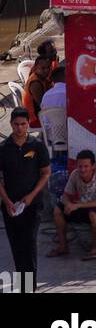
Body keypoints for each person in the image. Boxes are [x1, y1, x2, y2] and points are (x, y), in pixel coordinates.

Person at [0, 107, 51, 290]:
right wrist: (6, 201)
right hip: (10, 206)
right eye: (16, 124)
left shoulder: (37, 146)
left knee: (29, 244)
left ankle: (29, 287)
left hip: (32, 205)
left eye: (23, 124)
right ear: (11, 125)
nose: (20, 128)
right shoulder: (4, 148)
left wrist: (31, 196)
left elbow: (45, 173)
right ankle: (23, 286)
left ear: (28, 124)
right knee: (17, 246)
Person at [50, 149, 96, 261]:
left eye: (86, 166)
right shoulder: (75, 174)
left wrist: (78, 205)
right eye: (80, 166)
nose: (82, 169)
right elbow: (65, 196)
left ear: (93, 166)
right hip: (85, 207)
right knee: (58, 210)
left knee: (93, 213)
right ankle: (63, 246)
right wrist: (68, 204)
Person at [39, 64, 69, 201]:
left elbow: (44, 121)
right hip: (69, 137)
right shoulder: (69, 93)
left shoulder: (46, 96)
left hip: (51, 137)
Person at [22, 54, 53, 129]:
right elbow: (43, 106)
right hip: (34, 119)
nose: (46, 70)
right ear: (35, 68)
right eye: (43, 68)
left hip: (39, 113)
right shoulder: (35, 84)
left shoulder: (42, 77)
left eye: (48, 67)